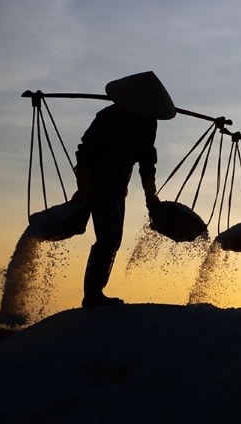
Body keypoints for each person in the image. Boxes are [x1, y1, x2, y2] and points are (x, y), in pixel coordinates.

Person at [71, 71, 176, 307]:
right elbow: (85, 153)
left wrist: (151, 196)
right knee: (108, 238)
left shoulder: (148, 123)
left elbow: (147, 161)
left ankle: (96, 292)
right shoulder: (108, 117)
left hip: (119, 187)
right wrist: (84, 188)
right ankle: (93, 294)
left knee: (113, 239)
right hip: (98, 183)